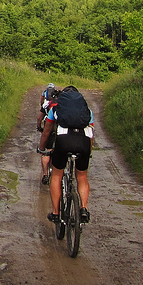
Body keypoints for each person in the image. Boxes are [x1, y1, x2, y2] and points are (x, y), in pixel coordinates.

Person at [38, 90, 93, 224]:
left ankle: (56, 213)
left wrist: (42, 148)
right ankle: (84, 208)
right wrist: (88, 152)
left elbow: (46, 132)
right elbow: (91, 134)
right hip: (84, 142)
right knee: (81, 177)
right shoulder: (87, 111)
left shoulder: (56, 109)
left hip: (64, 141)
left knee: (56, 175)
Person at [37, 84, 57, 184]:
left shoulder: (47, 104)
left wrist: (39, 127)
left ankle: (45, 174)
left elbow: (39, 118)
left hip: (49, 127)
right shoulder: (62, 105)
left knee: (46, 151)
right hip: (61, 131)